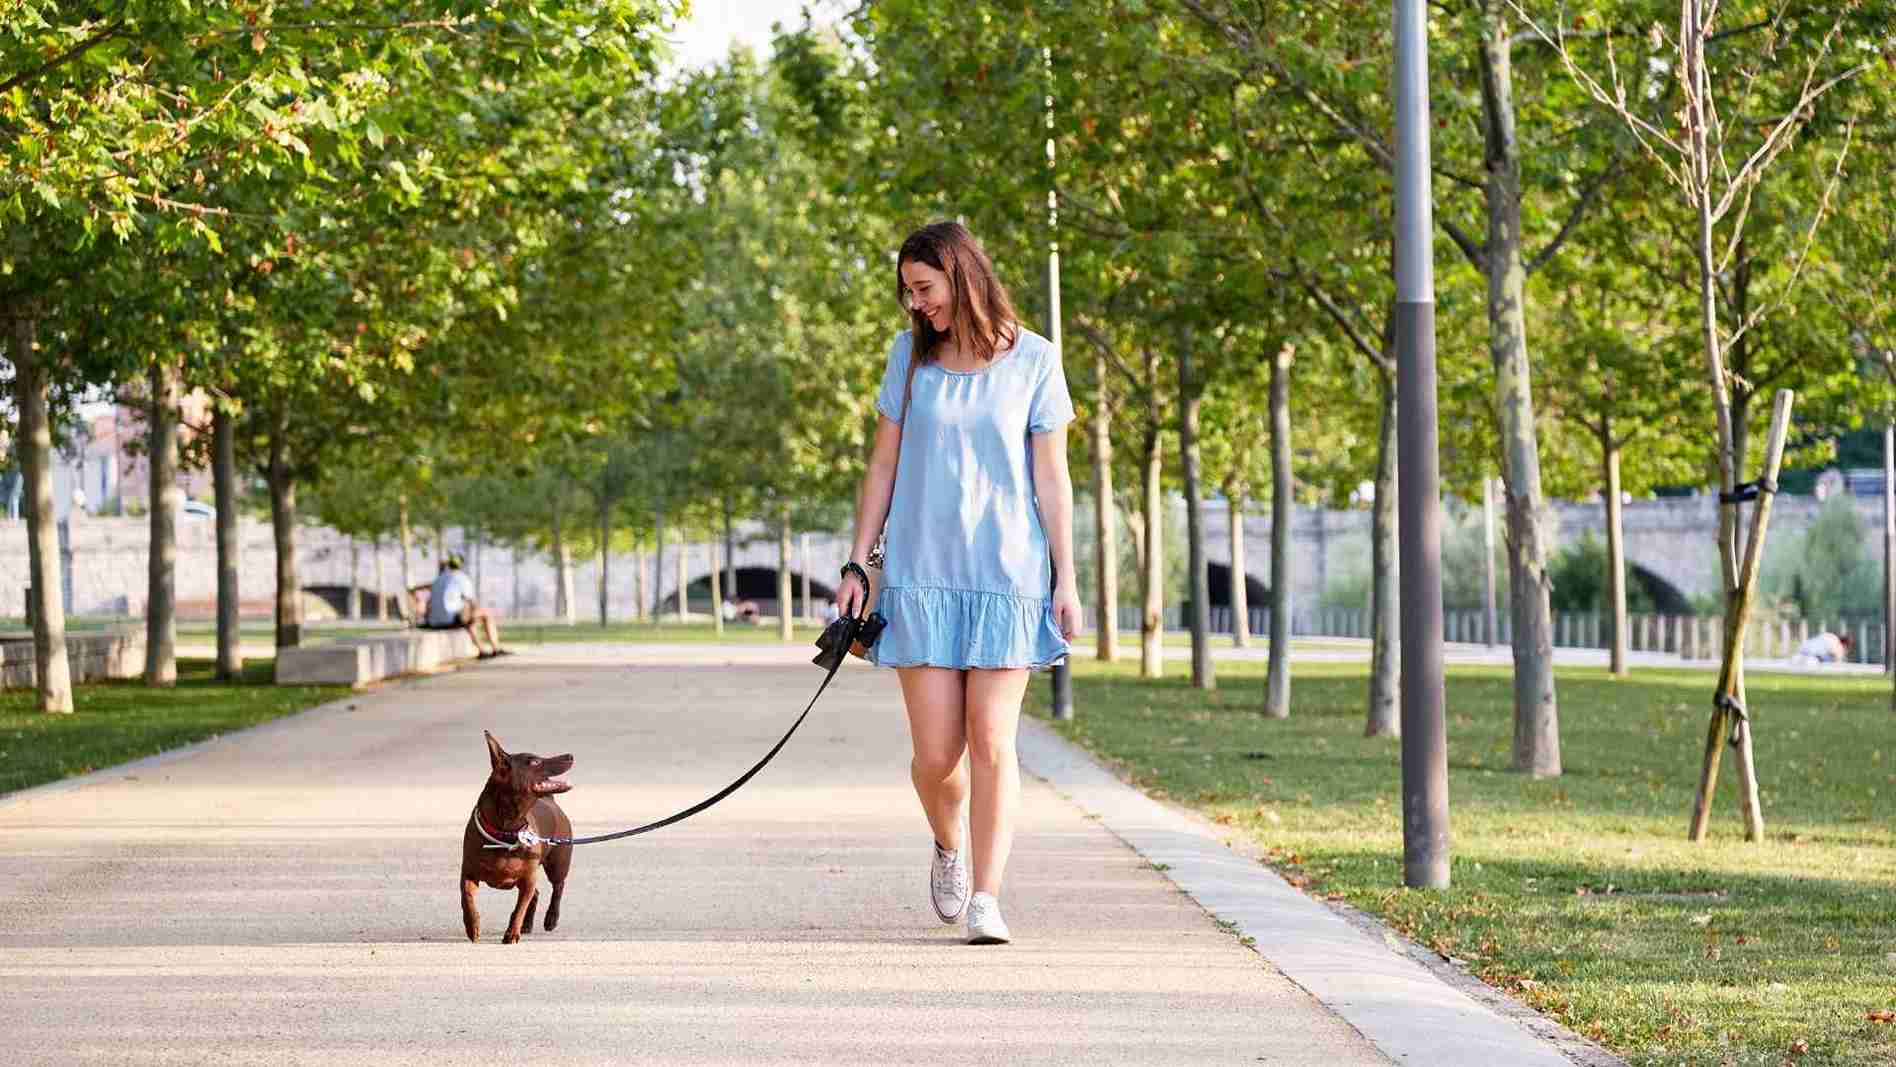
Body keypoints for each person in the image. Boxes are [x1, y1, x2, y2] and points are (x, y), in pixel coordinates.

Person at [838, 221, 1080, 946]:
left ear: (962, 275)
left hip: (1007, 577)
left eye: (924, 289)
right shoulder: (909, 360)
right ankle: (948, 843)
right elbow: (882, 466)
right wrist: (857, 564)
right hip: (921, 576)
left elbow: (1052, 476)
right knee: (937, 758)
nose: (915, 305)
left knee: (992, 740)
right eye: (908, 292)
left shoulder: (1035, 359)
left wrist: (1066, 577)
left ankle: (986, 895)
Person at [422, 553, 510, 659]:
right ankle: (496, 648)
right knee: (484, 615)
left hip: (433, 622)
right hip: (450, 621)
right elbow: (472, 602)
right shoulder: (461, 578)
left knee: (468, 619)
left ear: (448, 565)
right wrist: (475, 612)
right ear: (461, 565)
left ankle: (482, 650)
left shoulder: (438, 579)